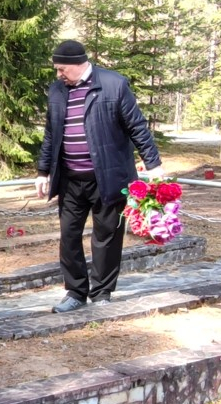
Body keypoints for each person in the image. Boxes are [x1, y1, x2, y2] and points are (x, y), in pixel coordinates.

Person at [35, 39, 164, 313]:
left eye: (61, 69)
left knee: (106, 236)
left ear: (78, 65)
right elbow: (51, 134)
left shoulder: (114, 84)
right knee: (69, 235)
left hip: (108, 177)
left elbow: (137, 127)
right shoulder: (57, 91)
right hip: (70, 179)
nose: (58, 75)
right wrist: (43, 171)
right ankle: (75, 292)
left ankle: (102, 292)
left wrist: (153, 165)